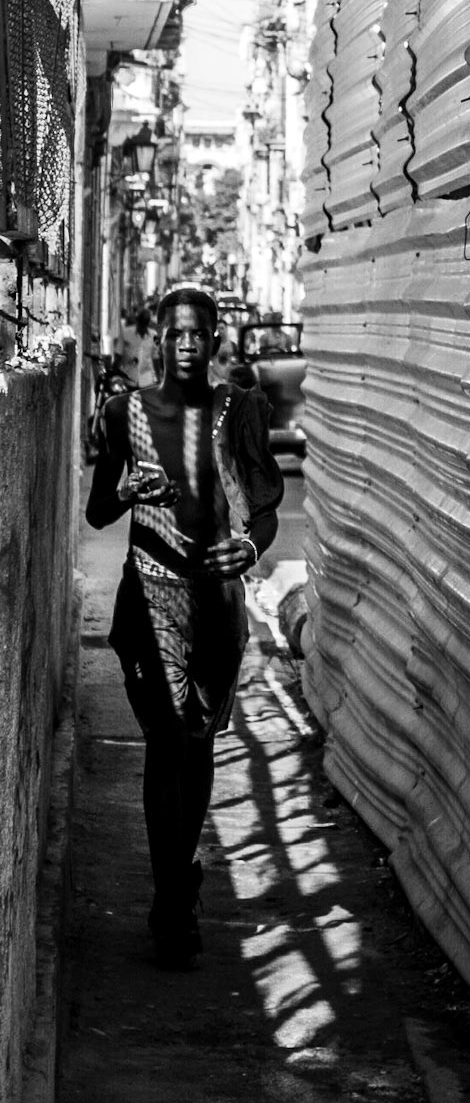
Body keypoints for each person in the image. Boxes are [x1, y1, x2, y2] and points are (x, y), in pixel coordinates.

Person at [86, 284, 284, 966]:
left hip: (215, 606)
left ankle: (178, 880)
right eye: (177, 333)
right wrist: (126, 492)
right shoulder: (123, 413)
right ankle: (173, 896)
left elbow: (263, 508)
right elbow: (96, 515)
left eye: (201, 332)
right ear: (158, 341)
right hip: (149, 597)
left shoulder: (240, 410)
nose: (189, 343)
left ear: (216, 340)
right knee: (166, 739)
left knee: (194, 743)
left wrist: (251, 547)